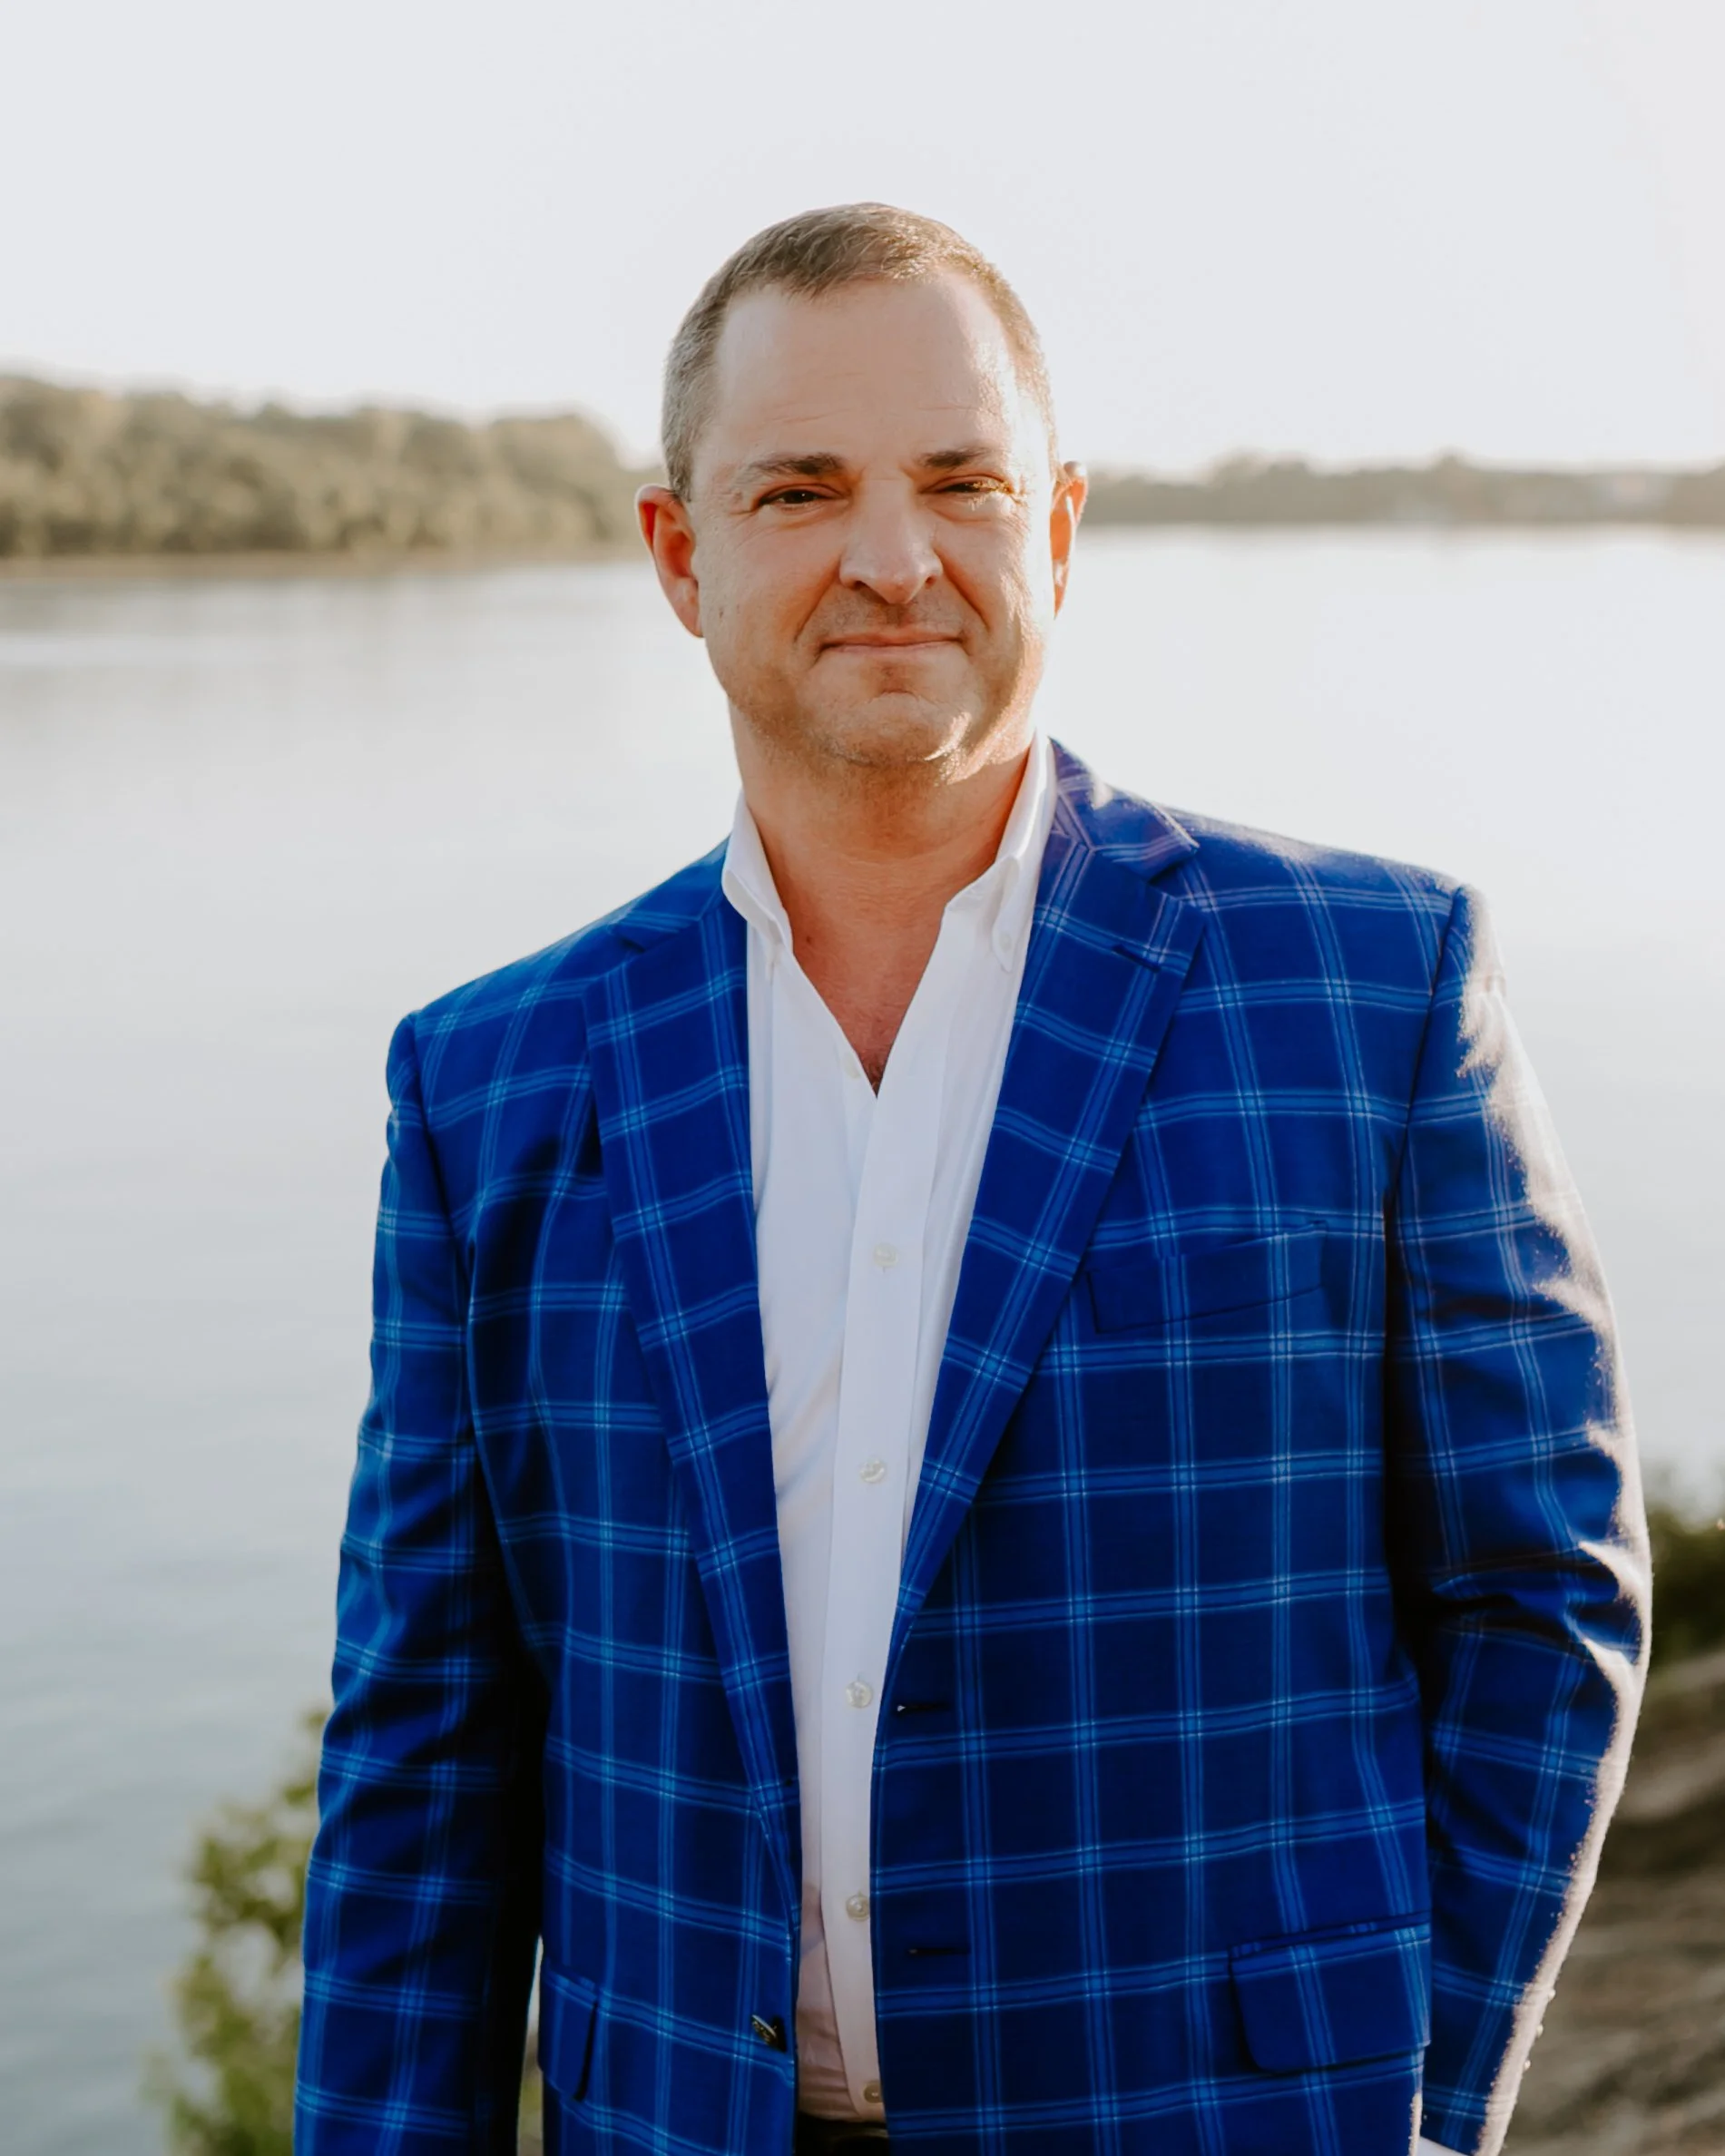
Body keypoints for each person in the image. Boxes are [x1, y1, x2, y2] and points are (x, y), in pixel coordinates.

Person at [295, 204, 1648, 2156]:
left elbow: (1539, 1594)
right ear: (679, 554)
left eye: (960, 482)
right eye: (800, 490)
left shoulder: (1370, 989)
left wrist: (1420, 2112)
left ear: (1058, 530)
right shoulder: (488, 1083)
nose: (890, 556)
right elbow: (427, 1745)